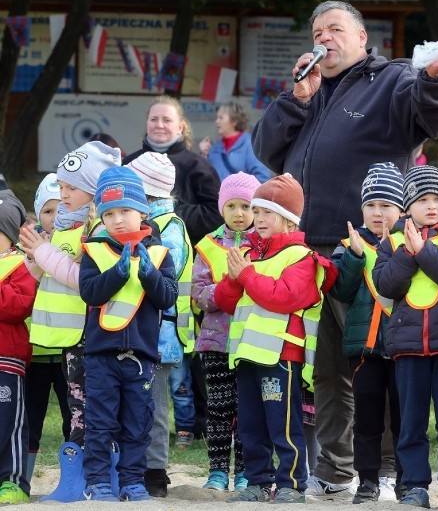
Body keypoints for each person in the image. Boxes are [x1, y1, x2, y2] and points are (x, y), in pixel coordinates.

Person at [251, 0, 438, 499]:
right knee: (326, 371)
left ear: (362, 38)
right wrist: (296, 99)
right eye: (317, 30)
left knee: (376, 364)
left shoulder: (391, 79)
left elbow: (436, 114)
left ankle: (385, 469)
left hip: (372, 251)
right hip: (310, 250)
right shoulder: (310, 89)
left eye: (335, 29)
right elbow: (264, 149)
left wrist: (436, 80)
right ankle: (336, 468)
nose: (324, 37)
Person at [214, 174, 337, 504]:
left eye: (268, 212)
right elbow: (226, 302)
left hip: (281, 357)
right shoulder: (250, 254)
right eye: (258, 211)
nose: (260, 218)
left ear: (288, 219)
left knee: (283, 425)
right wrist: (232, 277)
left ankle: (292, 483)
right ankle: (257, 481)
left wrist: (246, 275)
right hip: (248, 357)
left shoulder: (301, 257)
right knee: (250, 426)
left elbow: (283, 297)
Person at [19, 141, 121, 502]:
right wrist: (34, 256)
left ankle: (100, 478)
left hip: (92, 336)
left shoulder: (96, 231)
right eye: (60, 187)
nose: (62, 195)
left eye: (70, 188)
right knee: (80, 409)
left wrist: (43, 253)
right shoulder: (64, 228)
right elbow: (47, 272)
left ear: (93, 190)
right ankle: (81, 479)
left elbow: (83, 279)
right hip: (69, 339)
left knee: (91, 409)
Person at [373, 166, 438, 509]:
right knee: (412, 422)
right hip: (408, 347)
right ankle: (415, 486)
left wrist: (424, 251)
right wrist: (408, 251)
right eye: (422, 199)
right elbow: (386, 284)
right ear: (407, 207)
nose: (431, 206)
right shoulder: (392, 241)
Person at [78, 166, 178, 501]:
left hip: (142, 356)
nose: (118, 219)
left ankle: (132, 480)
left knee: (138, 423)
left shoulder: (160, 253)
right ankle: (98, 481)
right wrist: (117, 274)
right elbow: (90, 293)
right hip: (101, 355)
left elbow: (167, 298)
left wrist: (149, 274)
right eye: (109, 213)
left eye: (125, 211)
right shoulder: (93, 250)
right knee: (100, 421)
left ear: (143, 211)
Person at [330, 162, 405, 503]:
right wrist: (355, 257)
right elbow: (342, 292)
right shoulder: (349, 243)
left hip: (404, 346)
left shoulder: (412, 241)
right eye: (371, 205)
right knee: (367, 419)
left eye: (386, 206)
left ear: (401, 209)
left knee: (405, 418)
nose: (378, 213)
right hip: (365, 348)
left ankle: (405, 479)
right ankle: (368, 481)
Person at [123, 152, 194, 497]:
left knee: (155, 406)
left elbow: (164, 275)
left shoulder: (170, 228)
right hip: (134, 330)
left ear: (146, 194)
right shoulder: (138, 224)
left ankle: (155, 471)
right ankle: (132, 466)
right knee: (133, 403)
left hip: (162, 334)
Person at [192, 172, 260, 492]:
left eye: (246, 206)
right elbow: (199, 294)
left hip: (252, 342)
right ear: (221, 208)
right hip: (216, 343)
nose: (239, 213)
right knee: (219, 408)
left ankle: (245, 471)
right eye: (231, 205)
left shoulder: (263, 245)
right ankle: (218, 471)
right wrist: (225, 289)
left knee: (247, 408)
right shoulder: (207, 246)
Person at [23, 174, 72, 485]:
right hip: (36, 352)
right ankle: (22, 480)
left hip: (69, 350)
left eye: (60, 210)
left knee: (74, 418)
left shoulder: (77, 242)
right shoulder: (26, 248)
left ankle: (72, 478)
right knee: (30, 421)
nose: (55, 218)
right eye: (48, 211)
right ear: (38, 213)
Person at [124, 95, 222, 245]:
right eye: (154, 119)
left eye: (167, 120)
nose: (159, 125)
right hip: (131, 253)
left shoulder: (199, 166)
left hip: (185, 255)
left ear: (180, 127)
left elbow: (216, 212)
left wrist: (168, 216)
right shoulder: (129, 163)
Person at [0, 187, 36, 505]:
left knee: (8, 423)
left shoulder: (18, 266)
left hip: (7, 361)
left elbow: (17, 306)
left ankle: (12, 480)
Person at [200, 101, 272, 183]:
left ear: (234, 121)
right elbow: (205, 178)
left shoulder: (250, 144)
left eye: (221, 118)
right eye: (217, 118)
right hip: (217, 195)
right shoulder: (214, 148)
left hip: (243, 195)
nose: (217, 121)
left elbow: (262, 177)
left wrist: (241, 192)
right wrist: (203, 154)